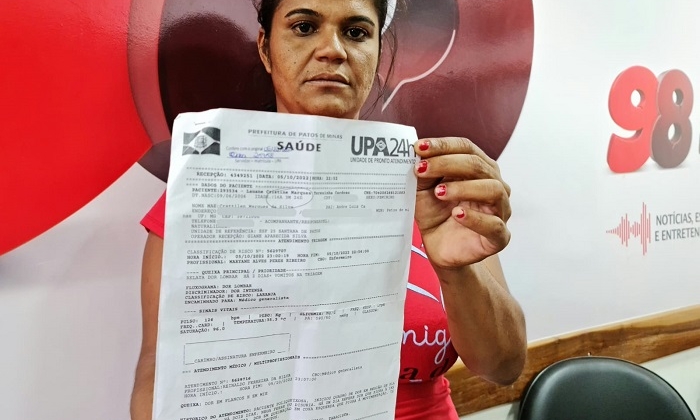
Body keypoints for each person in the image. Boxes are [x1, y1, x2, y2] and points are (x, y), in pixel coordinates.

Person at [130, 0, 527, 419]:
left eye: (356, 32)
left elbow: (502, 367)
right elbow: (158, 372)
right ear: (266, 48)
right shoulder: (201, 196)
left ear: (376, 51)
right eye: (304, 27)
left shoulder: (437, 188)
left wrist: (456, 272)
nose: (332, 50)